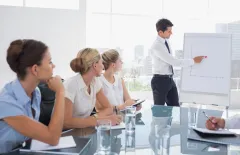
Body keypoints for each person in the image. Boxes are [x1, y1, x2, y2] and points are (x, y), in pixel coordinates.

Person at [0, 39, 65, 153]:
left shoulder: (36, 93)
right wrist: (60, 92)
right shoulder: (6, 102)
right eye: (50, 62)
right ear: (35, 69)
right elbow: (52, 138)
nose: (53, 66)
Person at [150, 18, 205, 106]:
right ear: (160, 32)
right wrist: (193, 61)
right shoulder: (157, 46)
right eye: (169, 31)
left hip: (169, 79)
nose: (171, 33)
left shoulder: (166, 42)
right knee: (159, 110)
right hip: (160, 81)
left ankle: (172, 120)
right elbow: (173, 61)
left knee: (175, 107)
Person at [63, 48, 122, 129]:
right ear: (95, 65)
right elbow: (66, 122)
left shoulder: (95, 82)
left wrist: (93, 118)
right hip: (65, 135)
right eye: (101, 62)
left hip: (83, 130)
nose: (103, 66)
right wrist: (101, 120)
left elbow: (108, 108)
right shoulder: (70, 85)